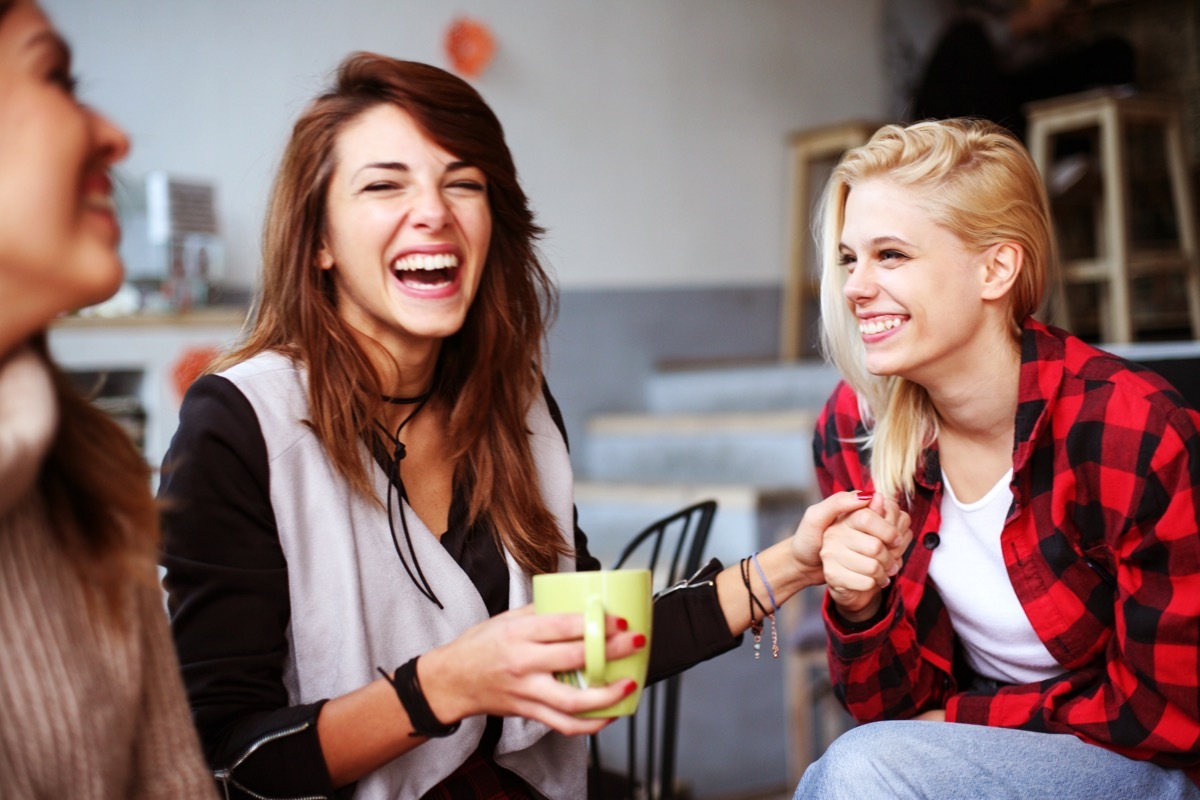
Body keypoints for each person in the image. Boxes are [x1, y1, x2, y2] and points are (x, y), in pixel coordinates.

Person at [158, 52, 911, 800]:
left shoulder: (513, 403)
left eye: (462, 183)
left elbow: (588, 646)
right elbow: (227, 760)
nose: (434, 211)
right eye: (385, 185)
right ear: (318, 240)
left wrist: (792, 564)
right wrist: (444, 686)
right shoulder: (240, 423)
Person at [794, 117, 1200, 799]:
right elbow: (888, 710)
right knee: (860, 766)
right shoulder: (854, 429)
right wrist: (858, 606)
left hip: (1145, 764)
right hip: (976, 755)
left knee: (863, 768)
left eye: (890, 255)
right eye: (848, 259)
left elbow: (1169, 716)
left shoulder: (1132, 430)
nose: (855, 287)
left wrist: (959, 718)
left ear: (996, 269)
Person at [0, 1, 218, 796]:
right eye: (55, 77)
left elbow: (174, 778)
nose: (115, 136)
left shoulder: (91, 479)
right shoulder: (237, 416)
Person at [885, 0, 1135, 141]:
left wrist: (1058, 32)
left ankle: (1063, 157)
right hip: (938, 117)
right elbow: (947, 57)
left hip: (1004, 101)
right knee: (966, 36)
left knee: (1112, 52)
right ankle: (1024, 158)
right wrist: (1022, 24)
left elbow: (1025, 64)